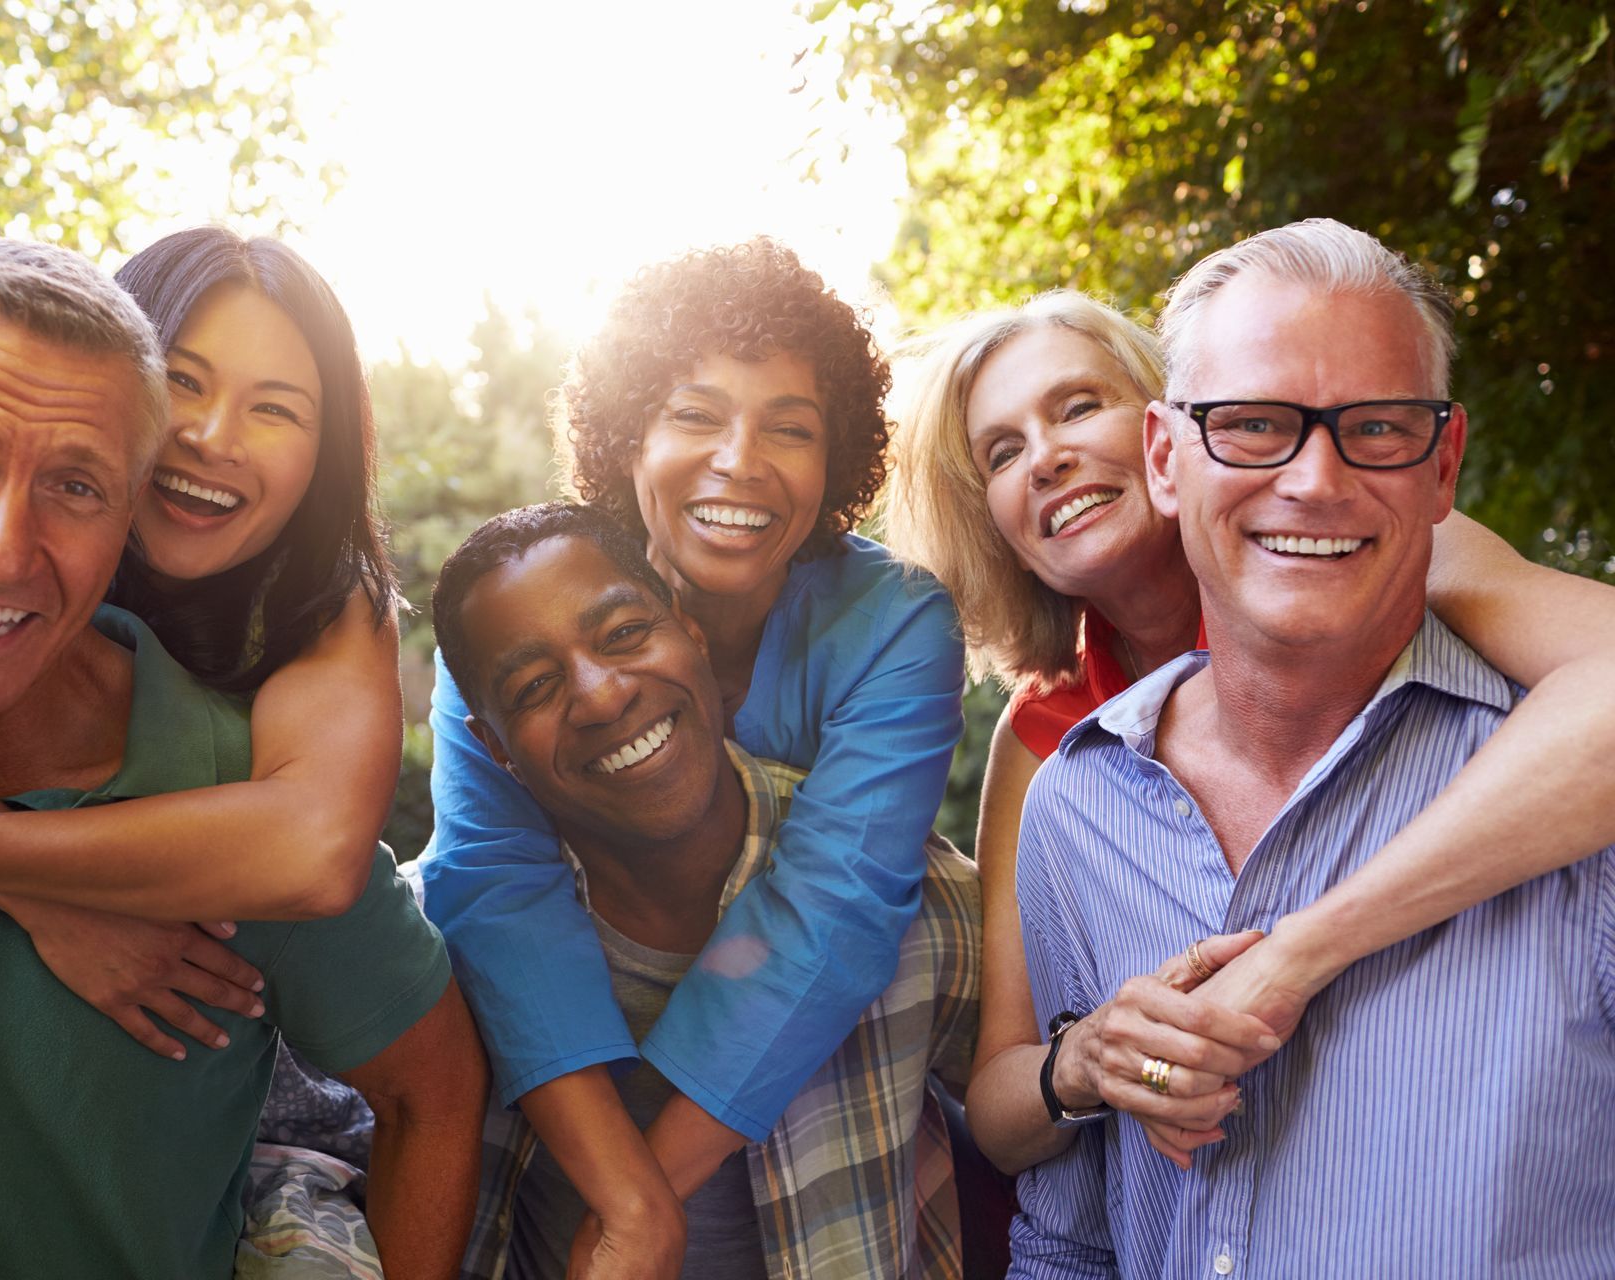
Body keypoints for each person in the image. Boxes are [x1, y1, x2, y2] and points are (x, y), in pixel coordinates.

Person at [0, 238, 485, 1277]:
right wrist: (27, 887)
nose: (0, 545)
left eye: (75, 483)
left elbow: (326, 871)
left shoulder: (296, 667)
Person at [882, 258, 1615, 1174]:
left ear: (1174, 438)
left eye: (1076, 407)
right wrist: (1088, 1057)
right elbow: (999, 1102)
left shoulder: (1354, 545)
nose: (1046, 457)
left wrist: (1299, 954)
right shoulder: (1046, 741)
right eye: (1002, 451)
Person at [416, 240, 970, 1248]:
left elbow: (835, 903)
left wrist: (642, 1207)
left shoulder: (893, 622)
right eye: (696, 414)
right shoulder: (507, 618)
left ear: (834, 457)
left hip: (806, 1107)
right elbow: (494, 889)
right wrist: (621, 1194)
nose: (740, 461)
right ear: (629, 437)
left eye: (789, 428)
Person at [426, 502, 979, 1278]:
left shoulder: (919, 904)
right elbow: (312, 1156)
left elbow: (1043, 1124)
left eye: (622, 635)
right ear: (493, 750)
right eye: (533, 687)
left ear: (691, 630)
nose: (599, 695)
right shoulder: (435, 957)